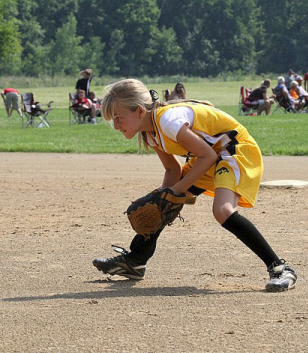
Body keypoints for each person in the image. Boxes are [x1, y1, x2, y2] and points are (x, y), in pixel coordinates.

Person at [92, 79, 297, 292]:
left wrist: (174, 192)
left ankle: (281, 268)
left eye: (118, 117)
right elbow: (173, 171)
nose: (116, 125)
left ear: (140, 111)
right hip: (213, 154)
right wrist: (164, 198)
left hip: (235, 151)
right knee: (163, 204)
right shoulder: (150, 131)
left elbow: (207, 155)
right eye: (112, 120)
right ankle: (135, 261)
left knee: (222, 210)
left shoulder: (167, 121)